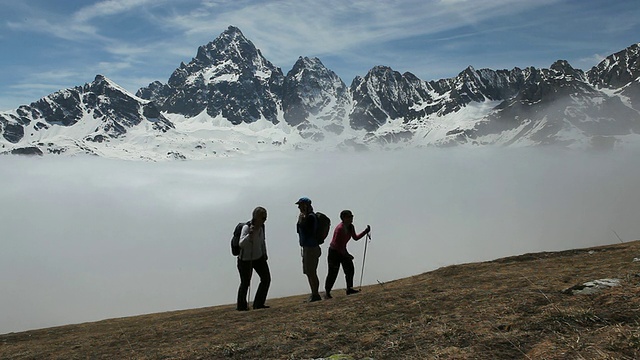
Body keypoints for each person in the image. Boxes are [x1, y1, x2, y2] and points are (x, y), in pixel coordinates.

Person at [324, 209, 370, 298]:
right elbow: (337, 245)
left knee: (350, 269)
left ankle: (349, 289)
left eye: (352, 216)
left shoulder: (350, 227)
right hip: (334, 252)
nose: (351, 218)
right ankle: (327, 292)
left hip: (342, 251)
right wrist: (347, 255)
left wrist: (365, 231)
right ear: (344, 218)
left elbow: (355, 238)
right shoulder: (340, 229)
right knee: (333, 272)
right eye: (349, 217)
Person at [236, 206, 271, 311]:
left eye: (265, 217)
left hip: (259, 257)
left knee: (266, 279)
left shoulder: (262, 227)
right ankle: (241, 306)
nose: (264, 220)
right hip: (245, 259)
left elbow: (262, 241)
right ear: (256, 217)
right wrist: (250, 236)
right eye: (263, 217)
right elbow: (241, 244)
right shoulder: (246, 228)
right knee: (245, 282)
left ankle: (258, 303)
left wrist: (264, 253)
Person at [296, 197, 322, 302]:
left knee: (311, 272)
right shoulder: (307, 216)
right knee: (309, 272)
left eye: (301, 205)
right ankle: (314, 293)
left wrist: (302, 220)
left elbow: (308, 230)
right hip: (308, 247)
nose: (299, 207)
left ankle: (315, 294)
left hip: (311, 248)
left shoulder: (310, 217)